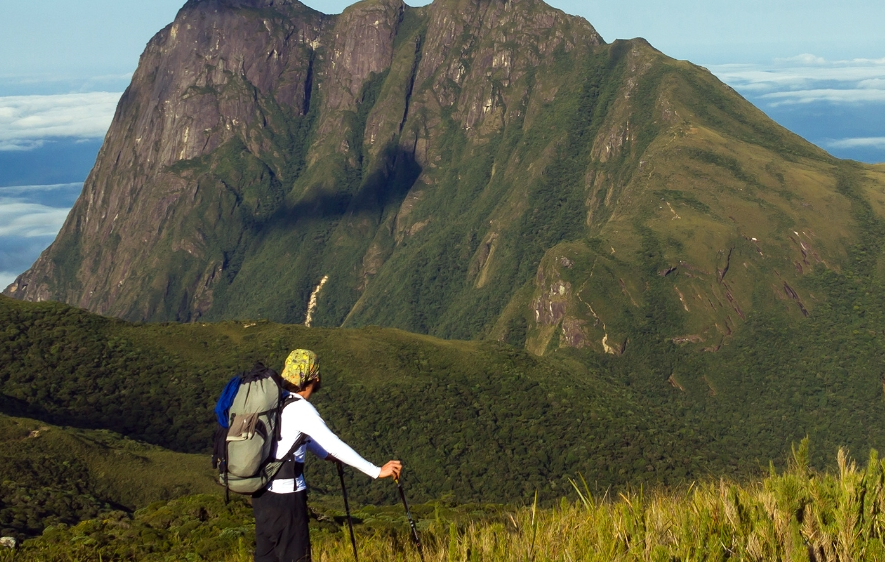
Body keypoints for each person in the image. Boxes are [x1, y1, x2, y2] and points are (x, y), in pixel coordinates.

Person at [252, 349, 402, 562]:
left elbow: (292, 437)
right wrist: (376, 471)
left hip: (261, 495)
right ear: (315, 379)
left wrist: (323, 455)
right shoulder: (301, 409)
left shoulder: (275, 400)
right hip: (287, 499)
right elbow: (335, 445)